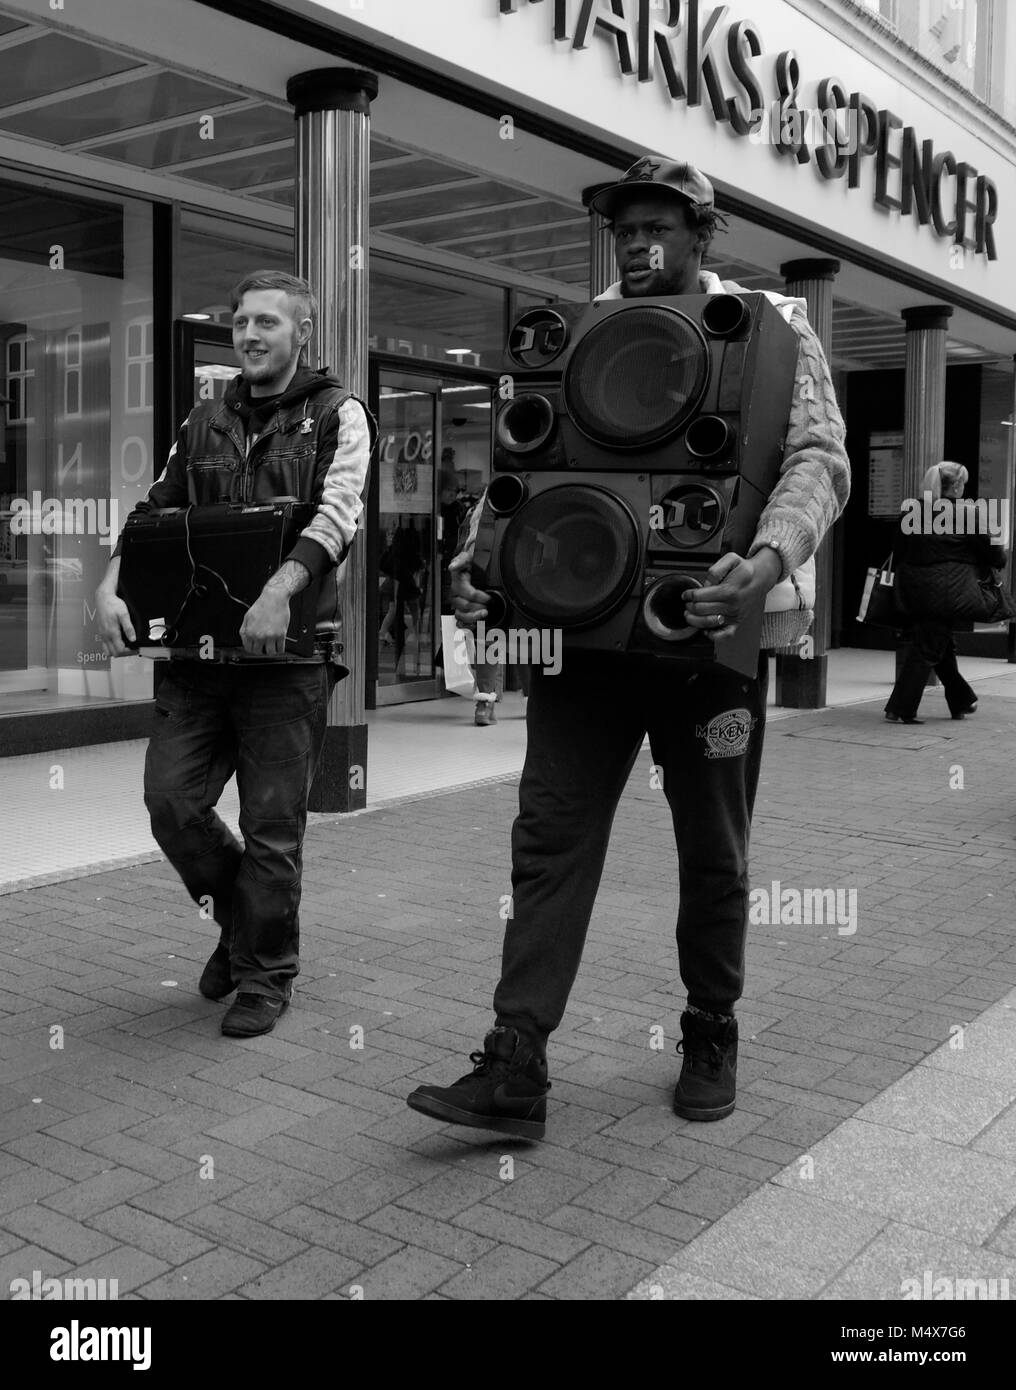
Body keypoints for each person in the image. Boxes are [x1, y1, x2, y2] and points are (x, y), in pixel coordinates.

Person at [407, 157, 850, 1137]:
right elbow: (529, 462)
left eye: (659, 226)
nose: (637, 242)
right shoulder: (578, 334)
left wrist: (767, 558)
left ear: (702, 235)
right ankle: (514, 1063)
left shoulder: (775, 327)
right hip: (582, 639)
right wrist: (480, 557)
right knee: (547, 839)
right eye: (622, 229)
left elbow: (819, 459)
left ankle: (709, 1026)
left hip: (712, 641)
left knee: (713, 849)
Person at [95, 269, 375, 1038]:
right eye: (242, 322)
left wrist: (283, 589)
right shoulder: (204, 419)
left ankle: (266, 975)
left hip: (288, 664)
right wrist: (110, 585)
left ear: (302, 333)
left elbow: (337, 516)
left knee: (273, 827)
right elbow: (154, 511)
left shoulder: (338, 416)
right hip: (197, 658)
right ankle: (242, 927)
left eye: (268, 324)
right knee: (172, 804)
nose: (250, 336)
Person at [885, 462, 1006, 724]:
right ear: (958, 486)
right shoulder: (968, 514)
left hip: (914, 590)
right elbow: (996, 555)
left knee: (940, 642)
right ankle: (900, 708)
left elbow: (899, 550)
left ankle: (961, 699)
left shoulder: (911, 511)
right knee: (928, 647)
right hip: (950, 591)